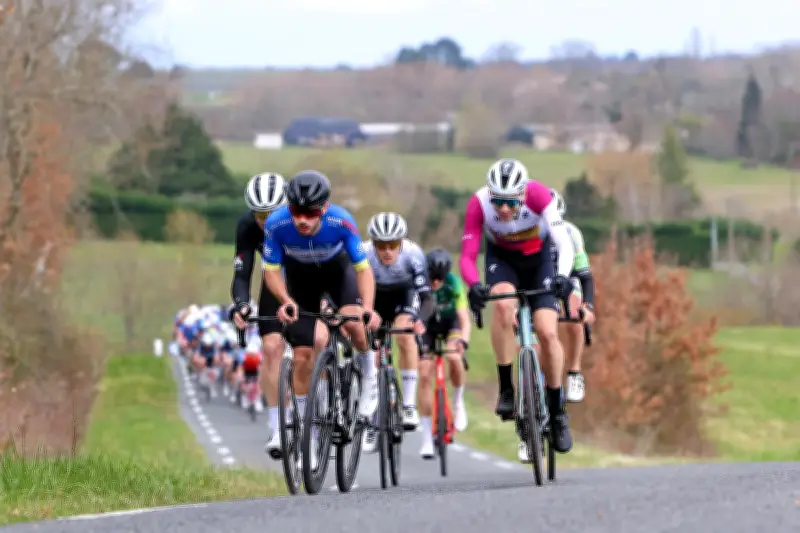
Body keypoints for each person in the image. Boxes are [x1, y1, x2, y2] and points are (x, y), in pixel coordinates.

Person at [459, 158, 577, 462]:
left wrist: (563, 277)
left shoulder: (539, 195)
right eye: (497, 200)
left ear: (523, 194)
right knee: (502, 303)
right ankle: (506, 388)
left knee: (548, 332)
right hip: (503, 261)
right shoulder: (478, 204)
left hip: (540, 261)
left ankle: (557, 410)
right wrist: (474, 285)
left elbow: (564, 243)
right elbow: (468, 255)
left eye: (510, 202)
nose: (503, 209)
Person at [261, 170, 381, 462]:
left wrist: (367, 306)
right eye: (296, 212)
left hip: (337, 273)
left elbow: (363, 269)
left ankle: (369, 373)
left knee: (353, 320)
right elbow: (271, 272)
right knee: (302, 355)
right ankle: (309, 436)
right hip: (300, 280)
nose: (302, 220)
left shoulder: (341, 221)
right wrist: (286, 300)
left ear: (324, 208)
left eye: (310, 213)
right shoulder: (276, 224)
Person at [228, 173, 326, 458]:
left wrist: (327, 302)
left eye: (272, 213)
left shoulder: (304, 221)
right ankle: (277, 427)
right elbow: (242, 273)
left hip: (312, 281)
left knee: (318, 339)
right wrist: (241, 305)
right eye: (260, 214)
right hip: (275, 283)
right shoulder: (247, 226)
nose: (265, 220)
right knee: (271, 348)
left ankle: (321, 393)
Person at [359, 212, 432, 454]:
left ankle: (409, 405)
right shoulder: (363, 253)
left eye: (393, 245)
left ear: (401, 242)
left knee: (404, 333)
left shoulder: (413, 254)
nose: (387, 251)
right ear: (373, 243)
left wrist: (420, 321)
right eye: (381, 245)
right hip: (374, 297)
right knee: (365, 340)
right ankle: (371, 417)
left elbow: (426, 297)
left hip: (404, 296)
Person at [418, 247, 471, 459]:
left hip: (451, 324)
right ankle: (425, 437)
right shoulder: (420, 283)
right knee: (424, 373)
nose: (436, 283)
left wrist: (463, 341)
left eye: (440, 278)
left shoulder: (454, 283)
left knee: (453, 356)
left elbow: (464, 318)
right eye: (432, 278)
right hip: (428, 328)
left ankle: (458, 402)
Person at [548, 188, 596, 403]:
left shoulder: (571, 233)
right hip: (538, 278)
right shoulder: (528, 233)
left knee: (574, 314)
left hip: (568, 278)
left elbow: (585, 276)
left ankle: (574, 372)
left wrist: (588, 306)